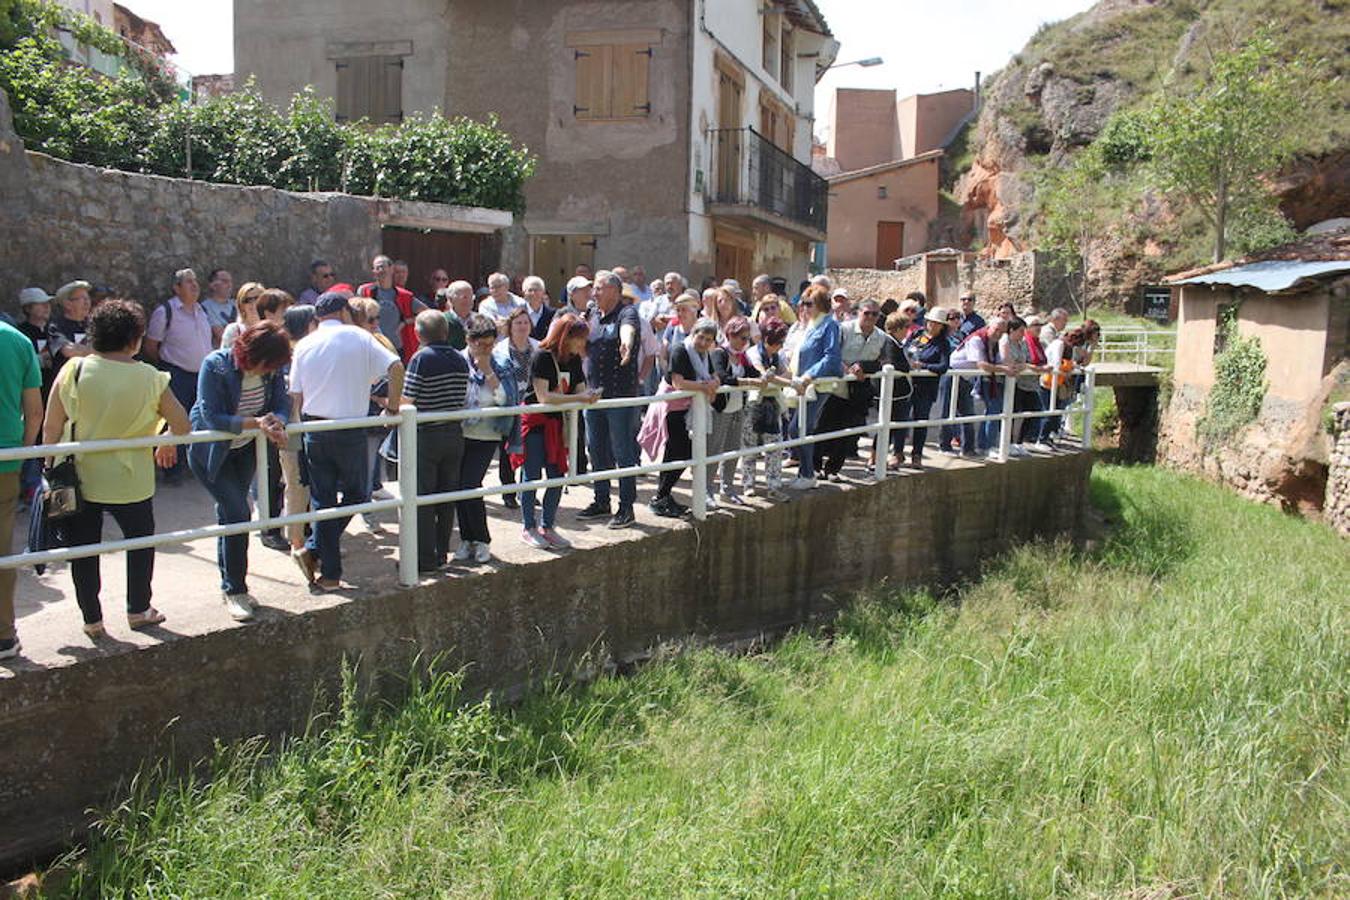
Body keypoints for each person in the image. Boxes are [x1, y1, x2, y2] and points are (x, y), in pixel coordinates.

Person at [42, 299, 190, 638]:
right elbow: (182, 423)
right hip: (130, 478)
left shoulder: (74, 369)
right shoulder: (150, 377)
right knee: (140, 542)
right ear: (135, 339)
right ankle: (139, 609)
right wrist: (165, 438)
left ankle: (92, 619)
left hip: (77, 475)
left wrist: (49, 467)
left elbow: (51, 427)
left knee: (83, 550)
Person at [288, 292, 405, 591]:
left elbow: (295, 397)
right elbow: (396, 367)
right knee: (357, 494)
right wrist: (392, 409)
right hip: (350, 429)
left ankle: (327, 569)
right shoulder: (359, 336)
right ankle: (316, 553)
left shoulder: (304, 344)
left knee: (323, 500)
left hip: (314, 430)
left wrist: (296, 432)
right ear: (343, 312)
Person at [187, 322, 292, 621]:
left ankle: (232, 585)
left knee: (231, 517)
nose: (267, 371)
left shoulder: (271, 370)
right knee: (238, 513)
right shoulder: (216, 365)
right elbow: (212, 416)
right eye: (265, 365)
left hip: (245, 450)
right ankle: (235, 590)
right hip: (212, 452)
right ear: (249, 353)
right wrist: (257, 423)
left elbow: (281, 402)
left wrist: (276, 421)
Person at [516, 313, 596, 548]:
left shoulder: (573, 359)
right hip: (536, 424)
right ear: (566, 336)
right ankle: (528, 526)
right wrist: (580, 397)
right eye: (579, 338)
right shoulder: (542, 356)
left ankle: (547, 526)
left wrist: (588, 395)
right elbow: (543, 396)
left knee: (556, 476)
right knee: (531, 476)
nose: (582, 344)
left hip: (558, 425)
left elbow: (581, 389)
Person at [401, 310, 469, 573]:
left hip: (426, 436)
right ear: (445, 332)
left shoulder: (421, 359)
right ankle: (441, 553)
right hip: (454, 434)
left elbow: (408, 399)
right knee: (446, 497)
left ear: (419, 334)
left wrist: (385, 401)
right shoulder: (459, 359)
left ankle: (424, 560)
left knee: (423, 499)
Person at [578, 270, 641, 528]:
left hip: (620, 398)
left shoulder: (627, 313)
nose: (594, 293)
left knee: (622, 451)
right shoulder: (592, 314)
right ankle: (601, 500)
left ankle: (626, 507)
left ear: (615, 290)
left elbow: (628, 330)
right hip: (594, 396)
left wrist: (626, 343)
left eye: (600, 288)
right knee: (596, 449)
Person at [457, 314, 519, 564]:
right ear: (468, 340)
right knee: (459, 488)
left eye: (490, 344)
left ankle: (482, 540)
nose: (485, 349)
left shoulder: (500, 362)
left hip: (486, 435)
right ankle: (466, 539)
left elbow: (505, 401)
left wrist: (488, 372)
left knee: (470, 485)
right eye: (480, 344)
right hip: (459, 433)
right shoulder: (458, 361)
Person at [642, 318, 719, 517]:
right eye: (700, 337)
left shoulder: (704, 356)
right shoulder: (680, 350)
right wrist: (705, 386)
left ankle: (663, 495)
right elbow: (678, 383)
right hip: (671, 408)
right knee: (676, 453)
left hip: (685, 408)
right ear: (693, 334)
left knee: (683, 453)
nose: (703, 342)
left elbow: (713, 374)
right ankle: (660, 497)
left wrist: (714, 381)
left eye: (708, 340)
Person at [144, 268, 214, 483]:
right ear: (176, 288)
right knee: (173, 421)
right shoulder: (165, 311)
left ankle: (195, 466)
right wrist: (169, 365)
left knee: (200, 419)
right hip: (177, 373)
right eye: (188, 282)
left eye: (195, 282)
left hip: (201, 374)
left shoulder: (201, 310)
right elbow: (151, 346)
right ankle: (171, 470)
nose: (194, 286)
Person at [0, 313, 43, 659]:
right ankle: (2, 634)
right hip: (5, 457)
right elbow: (34, 413)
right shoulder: (17, 341)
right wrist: (25, 452)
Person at [818, 298, 888, 479]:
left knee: (848, 432)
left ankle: (833, 470)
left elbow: (883, 361)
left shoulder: (881, 337)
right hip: (836, 387)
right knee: (823, 427)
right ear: (858, 312)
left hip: (859, 390)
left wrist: (865, 367)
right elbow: (831, 353)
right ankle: (815, 467)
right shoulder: (844, 329)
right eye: (867, 313)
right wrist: (848, 368)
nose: (871, 317)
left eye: (875, 314)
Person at [787, 285, 842, 490]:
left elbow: (832, 356)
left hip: (818, 384)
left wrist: (810, 374)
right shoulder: (809, 325)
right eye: (802, 303)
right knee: (800, 428)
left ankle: (808, 473)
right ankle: (805, 472)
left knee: (798, 428)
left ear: (820, 304)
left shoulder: (830, 325)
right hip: (802, 385)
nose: (804, 307)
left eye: (808, 303)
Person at [706, 316, 762, 505]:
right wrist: (747, 382)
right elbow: (721, 376)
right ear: (730, 335)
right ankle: (707, 491)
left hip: (738, 409)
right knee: (713, 451)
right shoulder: (719, 353)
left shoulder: (742, 356)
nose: (745, 342)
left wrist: (769, 377)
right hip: (720, 410)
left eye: (748, 338)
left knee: (732, 450)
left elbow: (755, 374)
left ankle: (727, 488)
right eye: (742, 338)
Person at [740, 317, 792, 500]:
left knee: (775, 447)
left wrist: (776, 378)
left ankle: (773, 485)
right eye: (776, 341)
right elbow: (762, 375)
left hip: (773, 403)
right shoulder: (753, 352)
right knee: (750, 446)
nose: (778, 345)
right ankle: (748, 484)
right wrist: (786, 381)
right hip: (753, 405)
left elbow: (787, 373)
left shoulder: (780, 355)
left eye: (780, 341)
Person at [279, 304, 317, 554]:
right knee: (295, 485)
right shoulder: (288, 356)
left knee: (308, 486)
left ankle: (309, 539)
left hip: (308, 427)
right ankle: (297, 540)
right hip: (293, 429)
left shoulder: (310, 351)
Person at [493, 306, 538, 509]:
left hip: (531, 405)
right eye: (518, 323)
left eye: (526, 322)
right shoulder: (500, 350)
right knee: (508, 449)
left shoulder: (538, 347)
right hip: (508, 404)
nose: (522, 326)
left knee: (530, 449)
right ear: (510, 327)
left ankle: (526, 489)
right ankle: (508, 490)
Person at [898, 306, 952, 467]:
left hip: (926, 388)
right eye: (930, 322)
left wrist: (922, 366)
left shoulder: (943, 344)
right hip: (907, 385)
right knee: (901, 419)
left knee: (920, 421)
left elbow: (943, 366)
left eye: (937, 323)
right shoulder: (917, 334)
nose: (932, 326)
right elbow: (904, 350)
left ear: (942, 326)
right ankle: (898, 453)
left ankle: (917, 455)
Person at [357, 254, 426, 363]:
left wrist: (405, 321)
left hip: (396, 348)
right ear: (374, 272)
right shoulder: (365, 291)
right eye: (377, 268)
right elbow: (356, 314)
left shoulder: (404, 295)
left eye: (382, 266)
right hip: (372, 347)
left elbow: (428, 313)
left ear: (391, 269)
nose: (380, 270)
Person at [997, 316, 1045, 456]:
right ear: (1012, 330)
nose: (1023, 334)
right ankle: (1007, 442)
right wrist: (1025, 366)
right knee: (1010, 413)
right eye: (1021, 331)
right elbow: (1010, 363)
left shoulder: (1021, 343)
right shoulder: (1005, 340)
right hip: (1008, 383)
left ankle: (1017, 442)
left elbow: (1024, 362)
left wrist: (1025, 366)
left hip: (1019, 383)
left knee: (1030, 410)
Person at [878, 311, 915, 469]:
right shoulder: (889, 343)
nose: (908, 330)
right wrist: (909, 366)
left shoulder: (895, 343)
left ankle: (890, 455)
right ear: (898, 328)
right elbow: (894, 363)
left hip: (897, 393)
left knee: (895, 425)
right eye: (906, 327)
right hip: (893, 394)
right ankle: (876, 459)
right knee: (887, 425)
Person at [1038, 326, 1083, 446]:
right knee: (1049, 411)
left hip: (1056, 383)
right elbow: (1056, 364)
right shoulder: (1059, 344)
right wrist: (1066, 373)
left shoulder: (1066, 347)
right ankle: (1041, 439)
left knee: (1055, 411)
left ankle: (1048, 437)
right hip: (1048, 382)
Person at [48, 280, 94, 380]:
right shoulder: (56, 326)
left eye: (88, 298)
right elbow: (69, 351)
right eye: (82, 299)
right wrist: (99, 352)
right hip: (67, 384)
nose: (87, 302)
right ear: (67, 304)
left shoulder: (95, 324)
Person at [220, 281, 265, 349]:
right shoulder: (234, 330)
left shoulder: (272, 329)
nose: (253, 303)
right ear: (241, 305)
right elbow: (225, 357)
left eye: (257, 298)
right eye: (247, 300)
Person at [201, 269, 238, 347]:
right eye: (225, 281)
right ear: (213, 285)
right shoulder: (205, 307)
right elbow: (221, 336)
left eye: (230, 281)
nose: (229, 285)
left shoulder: (236, 304)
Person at [441, 279, 476, 350]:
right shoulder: (442, 321)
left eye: (471, 296)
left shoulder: (479, 320)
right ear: (451, 299)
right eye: (464, 297)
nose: (469, 300)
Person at [521, 275, 555, 341]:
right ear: (524, 293)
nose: (533, 293)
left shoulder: (553, 314)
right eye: (530, 290)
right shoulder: (518, 313)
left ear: (543, 292)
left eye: (537, 290)